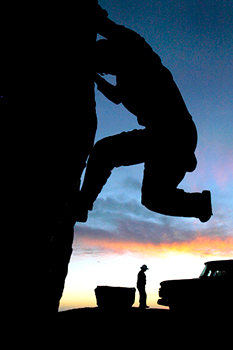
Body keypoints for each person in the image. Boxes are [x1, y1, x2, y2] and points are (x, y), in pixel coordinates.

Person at [76, 25, 212, 223]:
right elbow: (116, 96)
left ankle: (81, 204)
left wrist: (95, 18)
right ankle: (199, 204)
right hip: (162, 136)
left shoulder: (139, 53)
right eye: (104, 71)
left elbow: (113, 31)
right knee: (152, 198)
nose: (107, 72)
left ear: (110, 52)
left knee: (104, 151)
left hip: (175, 132)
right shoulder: (123, 79)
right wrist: (94, 76)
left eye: (105, 66)